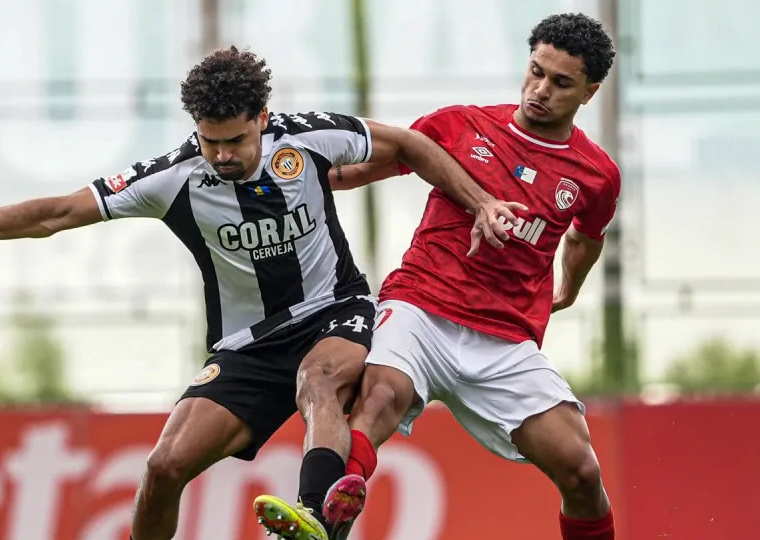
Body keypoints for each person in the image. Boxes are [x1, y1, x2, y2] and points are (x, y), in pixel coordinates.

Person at [0, 46, 519, 540]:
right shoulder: (173, 176)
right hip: (245, 346)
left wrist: (482, 202)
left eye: (236, 140)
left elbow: (409, 144)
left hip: (334, 311)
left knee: (319, 381)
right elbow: (55, 214)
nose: (223, 155)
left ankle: (314, 520)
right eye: (211, 141)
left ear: (262, 119)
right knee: (163, 468)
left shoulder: (308, 137)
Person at [256, 13, 621, 540]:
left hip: (504, 338)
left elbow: (586, 238)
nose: (540, 90)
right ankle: (330, 515)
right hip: (419, 309)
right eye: (536, 71)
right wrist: (272, 182)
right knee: (377, 400)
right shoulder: (459, 126)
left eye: (561, 82)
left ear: (590, 92)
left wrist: (568, 288)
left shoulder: (597, 174)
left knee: (582, 471)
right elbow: (351, 173)